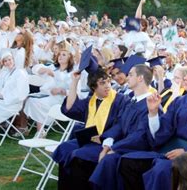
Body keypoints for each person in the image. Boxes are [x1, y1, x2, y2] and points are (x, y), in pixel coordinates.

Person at [118, 62, 187, 190]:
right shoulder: (180, 101)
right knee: (128, 161)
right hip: (168, 152)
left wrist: (186, 152)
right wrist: (153, 113)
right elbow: (162, 132)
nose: (186, 78)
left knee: (160, 169)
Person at [52, 61, 127, 190]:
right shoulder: (90, 101)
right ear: (94, 88)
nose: (107, 86)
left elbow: (121, 124)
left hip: (106, 143)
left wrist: (103, 136)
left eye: (108, 82)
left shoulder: (121, 100)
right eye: (102, 83)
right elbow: (70, 108)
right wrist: (74, 82)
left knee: (78, 154)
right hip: (89, 140)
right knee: (64, 148)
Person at [89, 63, 154, 189]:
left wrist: (115, 148)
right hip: (123, 145)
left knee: (108, 161)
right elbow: (119, 124)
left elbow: (140, 135)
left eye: (130, 74)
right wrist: (107, 144)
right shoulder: (131, 102)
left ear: (140, 78)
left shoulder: (151, 105)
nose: (127, 77)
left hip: (136, 150)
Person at [23, 49, 74, 135]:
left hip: (59, 98)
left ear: (70, 58)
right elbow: (35, 69)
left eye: (64, 55)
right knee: (30, 99)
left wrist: (62, 90)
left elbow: (74, 91)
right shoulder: (53, 67)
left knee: (36, 102)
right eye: (59, 54)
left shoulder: (71, 73)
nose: (60, 56)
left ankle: (40, 131)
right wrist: (43, 70)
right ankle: (40, 130)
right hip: (45, 95)